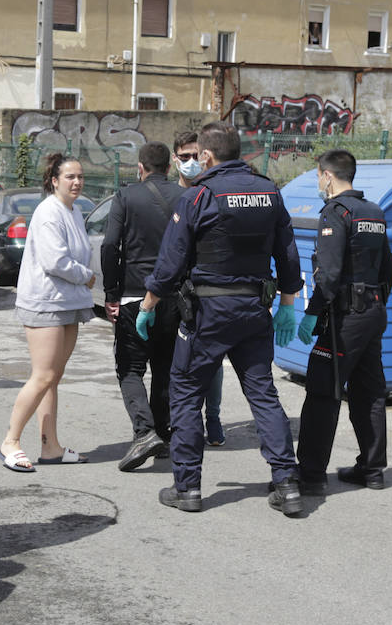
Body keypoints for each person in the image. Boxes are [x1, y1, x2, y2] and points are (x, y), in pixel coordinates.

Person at [140, 122, 303, 515]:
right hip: (253, 311)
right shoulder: (269, 192)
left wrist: (147, 305)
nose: (195, 162)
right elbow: (288, 253)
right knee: (262, 394)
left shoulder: (199, 196)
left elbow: (170, 264)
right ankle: (287, 483)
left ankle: (188, 487)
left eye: (198, 156)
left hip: (207, 314)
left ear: (208, 156)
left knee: (185, 391)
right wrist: (287, 303)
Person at [294, 150, 392, 493]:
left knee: (323, 391)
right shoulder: (375, 212)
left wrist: (311, 315)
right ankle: (372, 470)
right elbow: (388, 269)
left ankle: (310, 476)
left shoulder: (336, 213)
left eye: (318, 177)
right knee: (370, 392)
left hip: (345, 319)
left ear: (327, 176)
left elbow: (330, 274)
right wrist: (374, 303)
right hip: (373, 313)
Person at [0, 153, 95, 471]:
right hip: (45, 302)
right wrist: (86, 276)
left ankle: (50, 447)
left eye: (80, 176)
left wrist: (82, 278)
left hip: (68, 302)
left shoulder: (74, 211)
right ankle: (10, 441)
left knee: (54, 377)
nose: (77, 182)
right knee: (42, 377)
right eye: (70, 177)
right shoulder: (49, 212)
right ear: (54, 181)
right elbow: (56, 262)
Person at [101, 142, 184, 472]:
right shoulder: (184, 197)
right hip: (174, 297)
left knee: (130, 367)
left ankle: (144, 432)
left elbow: (110, 245)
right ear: (169, 166)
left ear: (141, 167)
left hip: (135, 295)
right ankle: (162, 434)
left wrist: (111, 293)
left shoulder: (126, 196)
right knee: (165, 367)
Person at [173, 130, 226, 445]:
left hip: (208, 293)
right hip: (176, 292)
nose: (191, 162)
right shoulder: (172, 196)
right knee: (178, 363)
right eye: (185, 157)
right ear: (175, 159)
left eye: (196, 156)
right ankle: (179, 424)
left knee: (214, 363)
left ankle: (214, 418)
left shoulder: (213, 193)